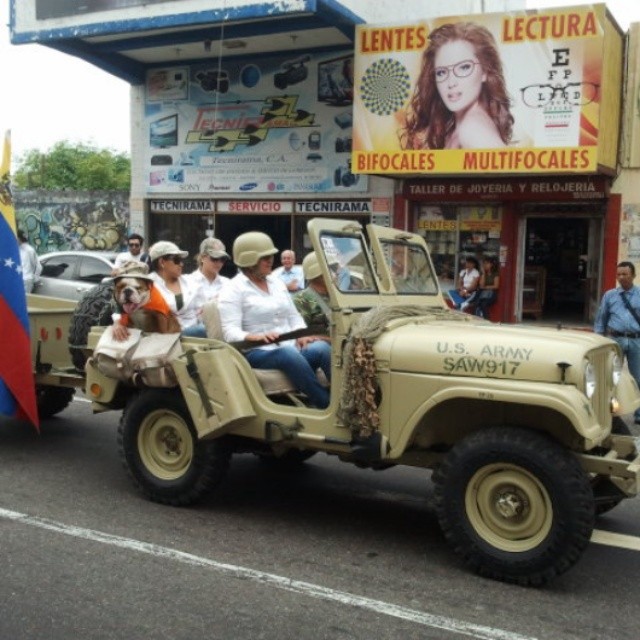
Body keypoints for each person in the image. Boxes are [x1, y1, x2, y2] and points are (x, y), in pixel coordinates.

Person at [218, 232, 329, 409]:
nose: (271, 260)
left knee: (322, 348)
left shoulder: (276, 283)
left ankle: (348, 401)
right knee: (288, 354)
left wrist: (301, 334)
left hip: (290, 346)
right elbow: (230, 332)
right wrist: (257, 336)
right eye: (264, 257)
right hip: (256, 351)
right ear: (249, 260)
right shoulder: (232, 289)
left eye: (271, 255)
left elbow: (294, 316)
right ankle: (326, 406)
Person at [401, 22, 513, 150]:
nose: (451, 82)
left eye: (464, 67)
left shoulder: (472, 129)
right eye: (441, 72)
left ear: (485, 71)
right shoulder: (462, 126)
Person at [594, 261, 640, 424]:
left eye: (625, 274)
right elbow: (601, 318)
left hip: (636, 341)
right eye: (618, 274)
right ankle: (613, 413)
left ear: (633, 275)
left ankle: (639, 414)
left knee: (638, 378)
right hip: (615, 340)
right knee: (612, 378)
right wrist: (598, 339)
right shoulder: (610, 295)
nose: (621, 277)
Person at [148, 240, 207, 338]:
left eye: (181, 260)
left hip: (196, 337)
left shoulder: (190, 282)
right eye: (176, 260)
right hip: (166, 337)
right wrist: (118, 323)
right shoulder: (148, 285)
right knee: (204, 330)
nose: (181, 264)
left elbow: (202, 310)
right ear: (162, 262)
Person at [292, 252, 332, 381]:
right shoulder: (302, 299)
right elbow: (302, 335)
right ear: (318, 273)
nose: (336, 273)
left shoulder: (338, 297)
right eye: (332, 268)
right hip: (321, 348)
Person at [187, 237, 230, 304]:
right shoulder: (187, 282)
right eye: (214, 258)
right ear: (202, 258)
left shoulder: (228, 284)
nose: (218, 263)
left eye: (222, 259)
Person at [17, 228, 41, 294]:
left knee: (24, 301)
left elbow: (37, 265)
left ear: (19, 238)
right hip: (18, 278)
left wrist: (36, 278)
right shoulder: (17, 249)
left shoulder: (29, 250)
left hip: (26, 279)